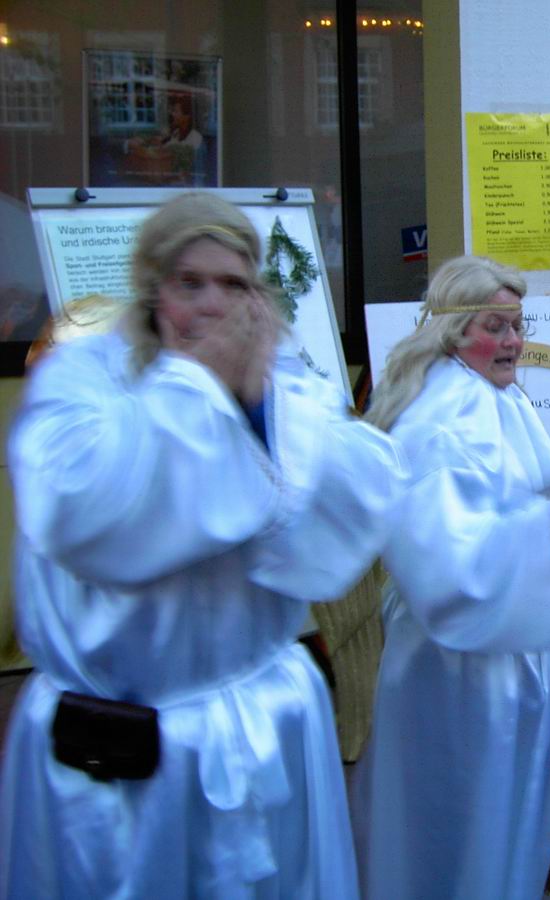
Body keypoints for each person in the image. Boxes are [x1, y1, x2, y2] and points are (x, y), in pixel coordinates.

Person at [0, 192, 404, 898]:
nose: (213, 306)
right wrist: (206, 389)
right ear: (154, 290)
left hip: (255, 726)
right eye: (190, 283)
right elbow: (95, 517)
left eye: (234, 286)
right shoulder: (83, 378)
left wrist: (259, 407)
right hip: (121, 760)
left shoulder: (280, 388)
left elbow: (339, 522)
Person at [351, 255, 550, 900]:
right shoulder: (445, 417)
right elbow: (450, 566)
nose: (515, 341)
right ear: (455, 330)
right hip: (465, 668)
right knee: (468, 828)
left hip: (504, 652)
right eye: (498, 326)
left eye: (519, 325)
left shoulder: (496, 397)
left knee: (501, 825)